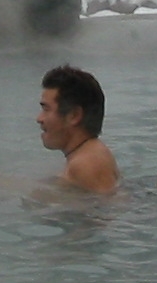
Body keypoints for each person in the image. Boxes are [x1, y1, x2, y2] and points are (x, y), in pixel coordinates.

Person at [37, 64, 120, 194]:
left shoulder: (86, 164)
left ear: (74, 115)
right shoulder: (88, 155)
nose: (39, 118)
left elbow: (110, 209)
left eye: (46, 109)